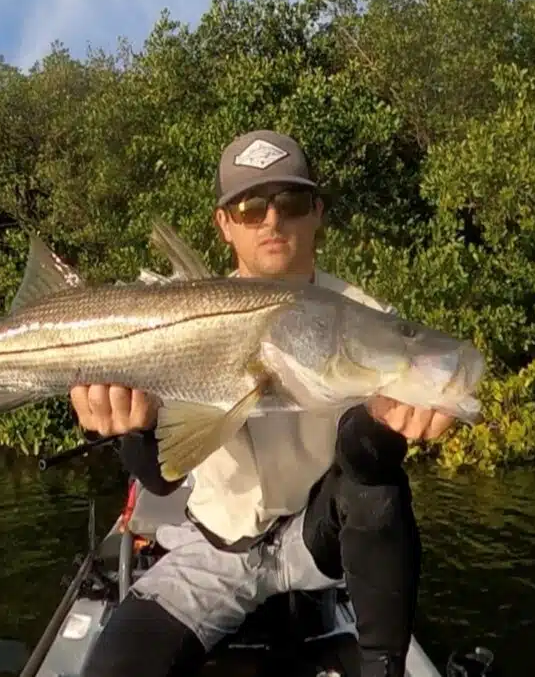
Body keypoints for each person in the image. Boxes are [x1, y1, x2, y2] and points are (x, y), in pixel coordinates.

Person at [69, 130, 456, 677]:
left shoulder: (366, 317)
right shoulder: (171, 321)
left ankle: (382, 665)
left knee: (378, 480)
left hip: (318, 541)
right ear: (224, 224)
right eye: (250, 208)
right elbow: (159, 483)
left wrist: (402, 418)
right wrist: (130, 432)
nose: (272, 221)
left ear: (317, 212)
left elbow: (372, 457)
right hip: (212, 551)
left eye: (291, 203)